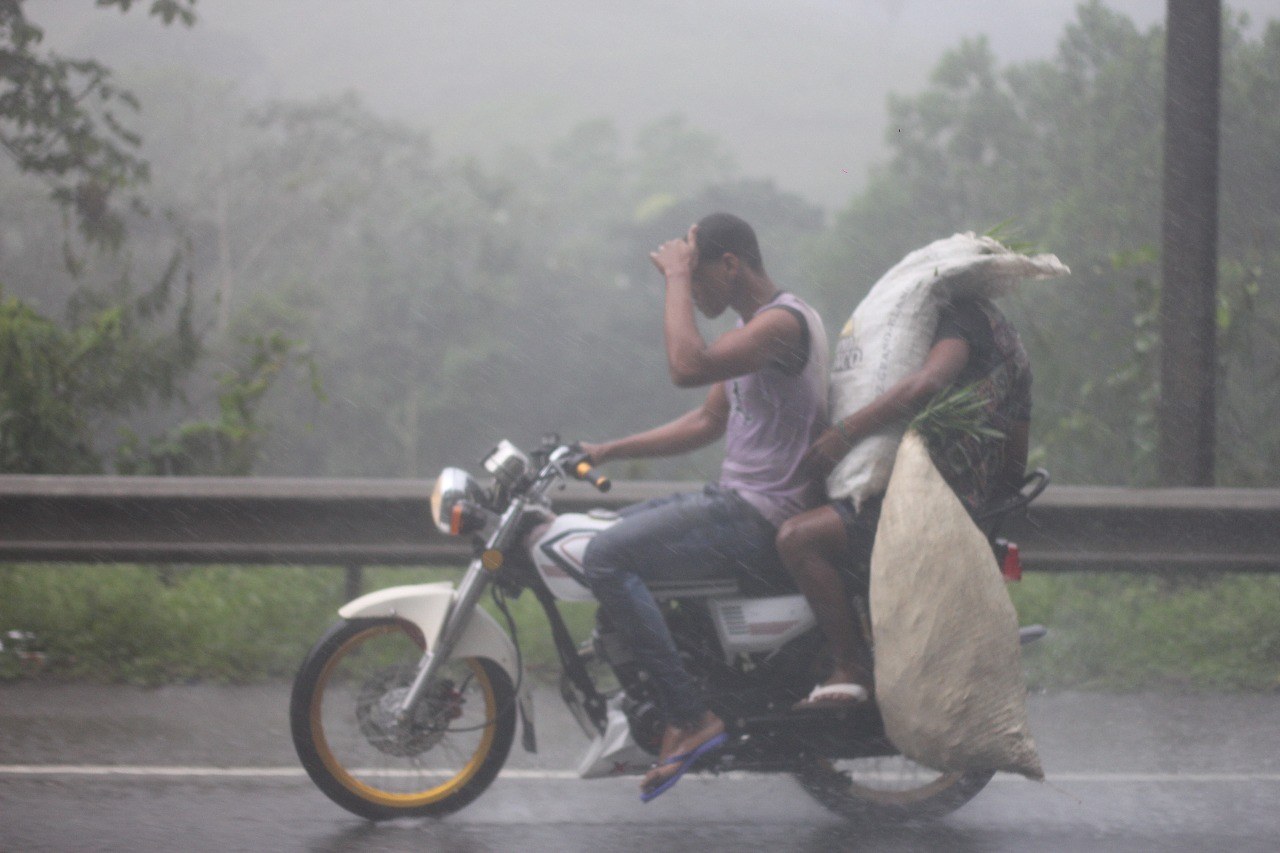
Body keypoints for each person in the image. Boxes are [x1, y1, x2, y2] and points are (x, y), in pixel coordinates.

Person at [581, 212, 829, 800]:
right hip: (735, 504)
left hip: (757, 516)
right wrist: (609, 449)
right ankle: (675, 687)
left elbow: (686, 368)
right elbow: (707, 420)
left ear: (730, 265)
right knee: (600, 537)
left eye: (698, 280)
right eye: (686, 285)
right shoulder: (754, 333)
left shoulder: (782, 326)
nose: (692, 293)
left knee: (606, 557)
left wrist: (672, 275)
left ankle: (691, 718)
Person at [775, 295, 1031, 708]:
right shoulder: (1011, 344)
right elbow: (1017, 456)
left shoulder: (960, 319)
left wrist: (845, 433)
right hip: (971, 511)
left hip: (931, 511)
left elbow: (926, 382)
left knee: (797, 538)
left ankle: (850, 667)